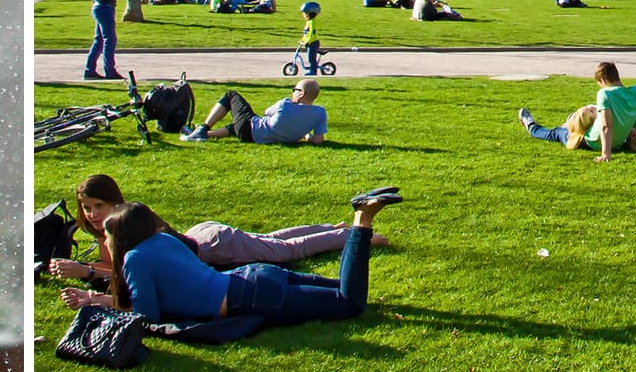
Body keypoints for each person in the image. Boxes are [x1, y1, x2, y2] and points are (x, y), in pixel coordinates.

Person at [48, 174, 391, 303]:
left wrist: (87, 274)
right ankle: (332, 228)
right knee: (273, 240)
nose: (93, 214)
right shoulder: (124, 222)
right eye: (87, 207)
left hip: (213, 247)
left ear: (115, 203)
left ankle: (356, 235)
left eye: (99, 206)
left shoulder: (126, 226)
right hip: (205, 237)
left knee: (286, 250)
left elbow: (127, 276)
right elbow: (118, 269)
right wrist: (84, 268)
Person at [79, 192, 402, 326]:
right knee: (341, 289)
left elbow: (147, 315)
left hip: (251, 295)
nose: (104, 238)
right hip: (253, 276)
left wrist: (98, 302)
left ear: (119, 236)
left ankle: (362, 222)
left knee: (351, 303)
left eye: (107, 234)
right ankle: (355, 222)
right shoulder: (162, 239)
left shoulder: (135, 258)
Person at [517, 62, 636, 162]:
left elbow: (606, 127)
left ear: (602, 81)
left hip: (593, 141)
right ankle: (570, 123)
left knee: (555, 133)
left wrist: (605, 154)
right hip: (619, 141)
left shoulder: (604, 94)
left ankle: (531, 126)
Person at [179, 79, 326, 144]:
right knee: (237, 124)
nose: (292, 92)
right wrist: (306, 136)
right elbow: (318, 140)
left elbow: (267, 112)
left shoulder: (285, 104)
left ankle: (203, 129)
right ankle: (201, 135)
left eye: (295, 90)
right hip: (256, 135)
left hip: (251, 130)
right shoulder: (320, 113)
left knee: (231, 95)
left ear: (301, 94)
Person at [296, 1, 322, 74]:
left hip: (313, 42)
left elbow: (311, 33)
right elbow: (306, 34)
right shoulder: (308, 22)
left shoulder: (312, 22)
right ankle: (312, 68)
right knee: (310, 57)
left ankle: (313, 71)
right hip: (309, 42)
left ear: (310, 14)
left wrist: (308, 41)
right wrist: (302, 40)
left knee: (311, 58)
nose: (303, 15)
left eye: (305, 13)